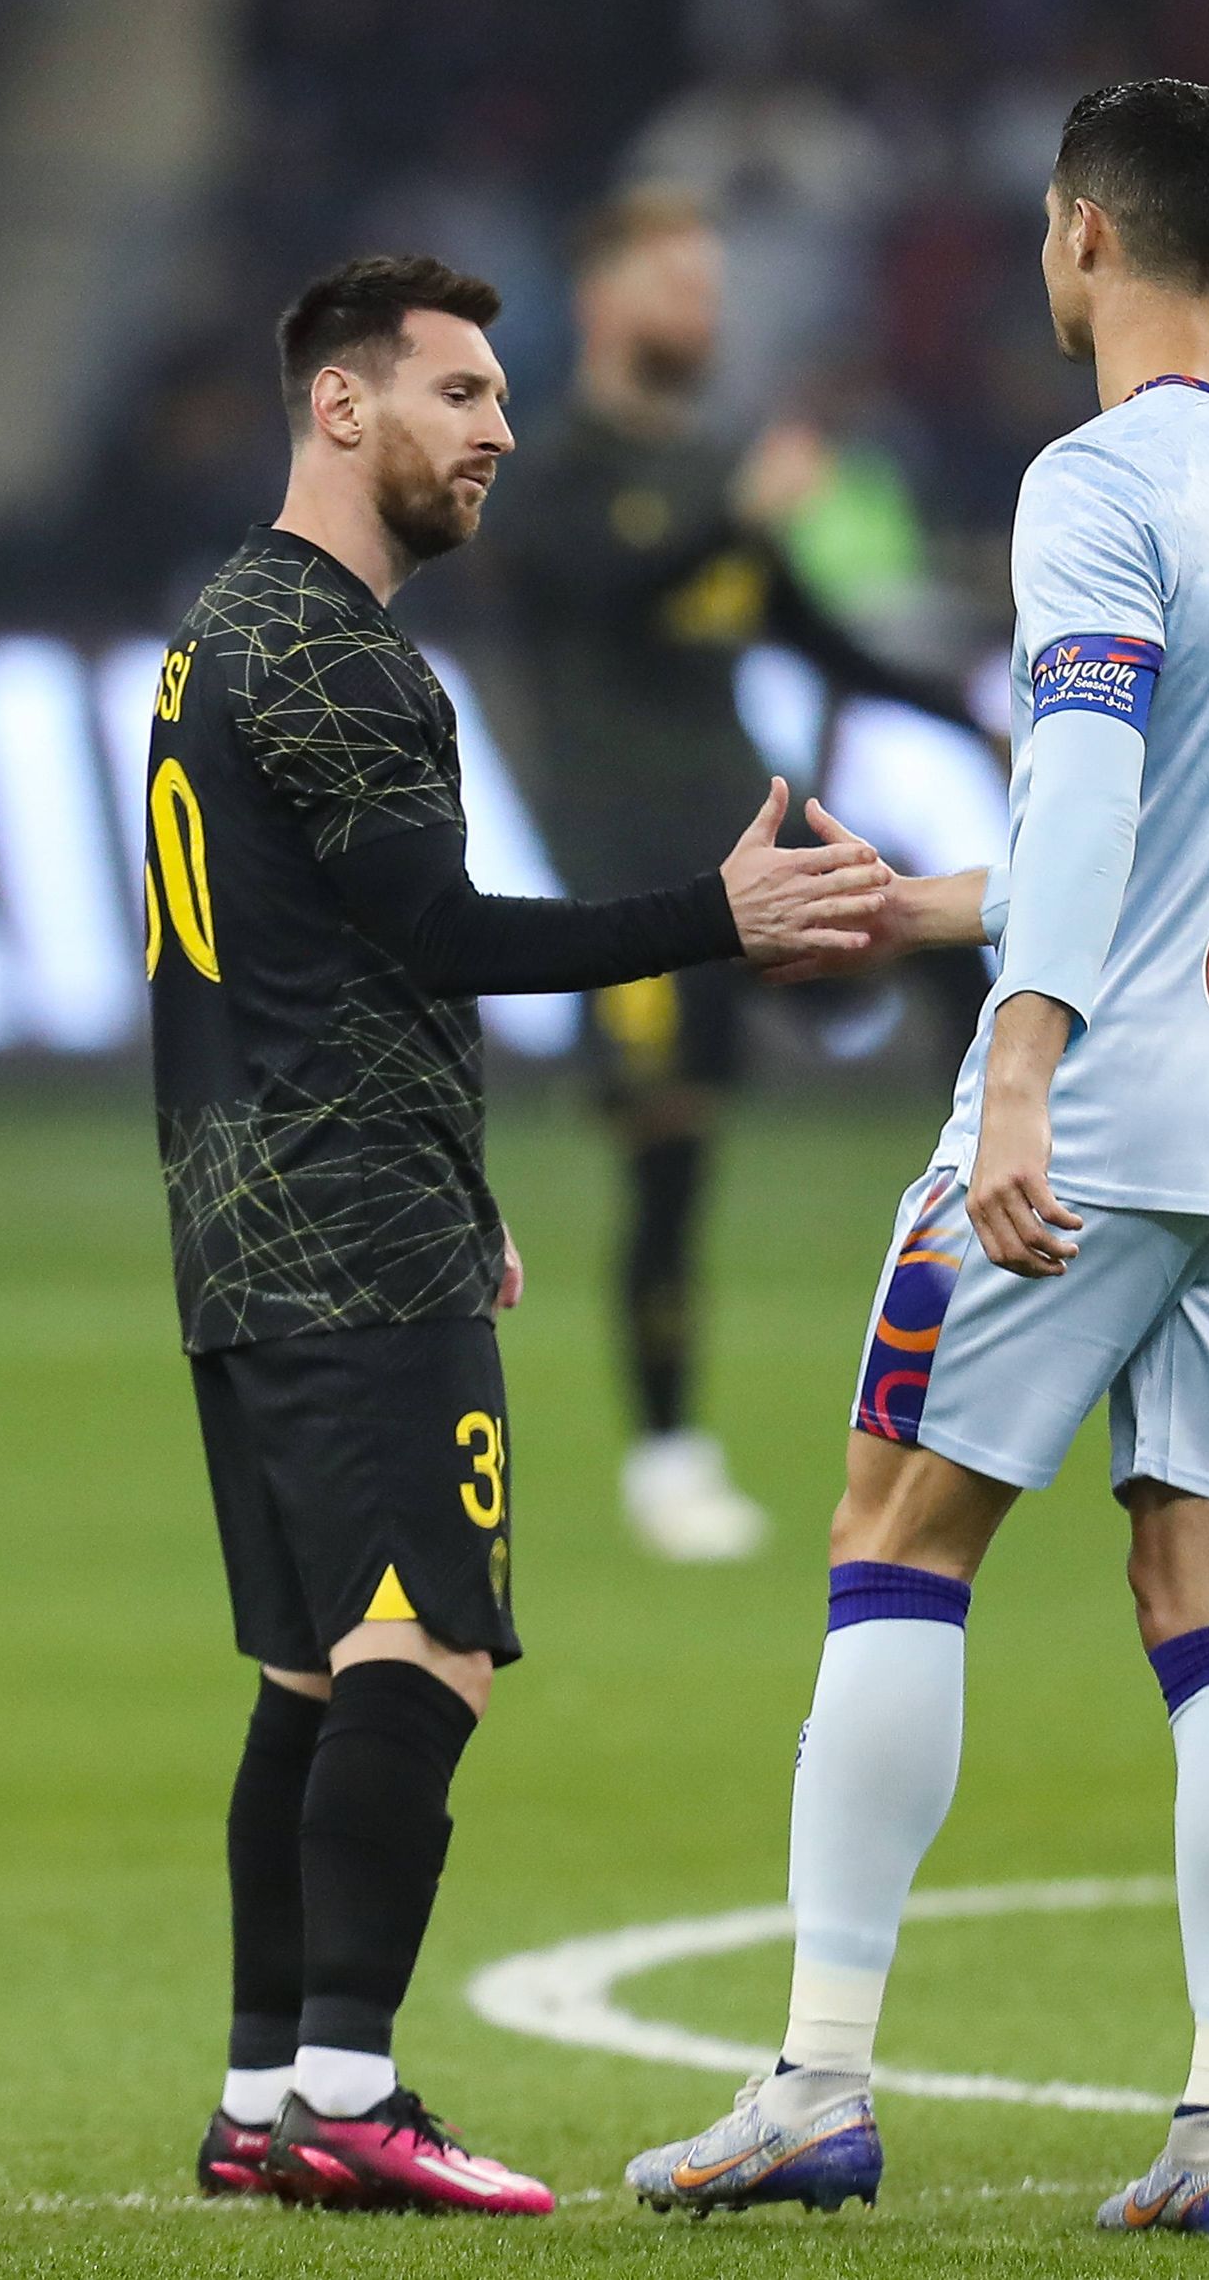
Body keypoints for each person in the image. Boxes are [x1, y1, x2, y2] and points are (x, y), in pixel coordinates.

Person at [618, 78, 1209, 2237]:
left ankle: (813, 2080)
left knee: (895, 1532)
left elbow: (1083, 785)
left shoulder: (1094, 477)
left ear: (1078, 234)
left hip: (1103, 1100)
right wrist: (926, 906)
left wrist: (1020, 1061)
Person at [154, 254, 892, 2214]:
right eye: (460, 394)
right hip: (343, 1232)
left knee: (312, 1676)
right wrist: (709, 916)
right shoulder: (335, 657)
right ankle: (347, 2091)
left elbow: (335, 965)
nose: (494, 431)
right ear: (340, 406)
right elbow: (447, 936)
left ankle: (257, 2095)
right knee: (434, 1647)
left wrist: (458, 1177)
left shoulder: (222, 631)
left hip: (252, 1219)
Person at [495, 189, 958, 1564]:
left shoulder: (713, 471)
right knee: (672, 1159)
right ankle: (667, 1458)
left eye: (709, 289)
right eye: (675, 285)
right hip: (632, 879)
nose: (699, 311)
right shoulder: (554, 468)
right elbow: (602, 593)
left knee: (946, 938)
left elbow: (818, 640)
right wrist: (738, 521)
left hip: (750, 831)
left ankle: (1001, 1253)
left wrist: (991, 708)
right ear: (603, 299)